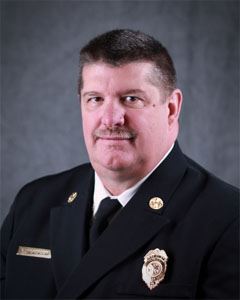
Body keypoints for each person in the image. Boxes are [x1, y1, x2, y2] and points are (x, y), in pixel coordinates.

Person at [1, 29, 239, 299]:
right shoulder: (32, 204)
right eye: (95, 99)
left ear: (171, 109)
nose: (111, 118)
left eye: (131, 99)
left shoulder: (227, 218)